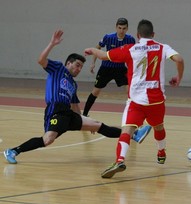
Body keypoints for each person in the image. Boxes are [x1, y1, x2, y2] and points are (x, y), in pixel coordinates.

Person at [3, 30, 151, 164]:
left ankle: (135, 134)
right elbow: (41, 60)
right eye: (77, 65)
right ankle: (13, 151)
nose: (79, 69)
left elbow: (75, 106)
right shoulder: (58, 69)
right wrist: (52, 44)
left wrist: (85, 121)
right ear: (68, 63)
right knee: (47, 140)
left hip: (68, 114)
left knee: (98, 125)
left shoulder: (73, 85)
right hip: (55, 110)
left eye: (81, 67)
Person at [84, 19, 184, 178]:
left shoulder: (131, 48)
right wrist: (178, 77)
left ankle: (120, 160)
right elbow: (179, 59)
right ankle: (161, 151)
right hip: (157, 100)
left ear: (138, 35)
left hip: (137, 100)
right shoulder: (163, 47)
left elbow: (103, 56)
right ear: (153, 34)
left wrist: (91, 50)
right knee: (158, 127)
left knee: (127, 130)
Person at [82, 17, 136, 117]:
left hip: (120, 69)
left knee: (130, 91)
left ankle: (132, 116)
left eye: (124, 28)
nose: (121, 31)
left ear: (127, 29)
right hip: (106, 68)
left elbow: (133, 55)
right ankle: (84, 114)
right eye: (119, 28)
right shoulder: (108, 37)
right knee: (95, 92)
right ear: (116, 27)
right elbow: (97, 48)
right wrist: (93, 63)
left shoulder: (130, 39)